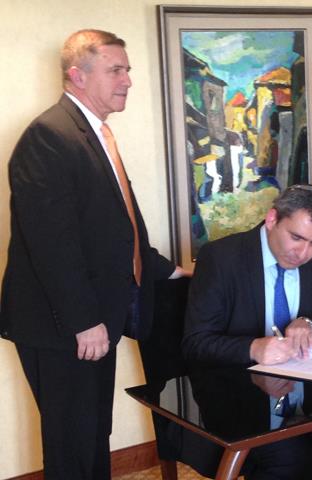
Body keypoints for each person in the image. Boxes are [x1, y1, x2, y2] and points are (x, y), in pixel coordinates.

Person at [0, 29, 187, 479]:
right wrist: (84, 321)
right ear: (77, 75)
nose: (127, 80)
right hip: (62, 326)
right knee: (72, 440)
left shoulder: (92, 132)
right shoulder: (49, 136)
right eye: (116, 70)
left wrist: (167, 270)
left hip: (91, 318)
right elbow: (52, 243)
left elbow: (118, 227)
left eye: (127, 70)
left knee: (90, 432)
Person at [182, 185, 312, 479]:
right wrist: (253, 348)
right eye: (296, 238)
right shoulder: (221, 259)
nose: (303, 253)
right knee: (291, 458)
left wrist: (309, 323)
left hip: (309, 398)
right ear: (271, 219)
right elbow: (195, 342)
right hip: (237, 400)